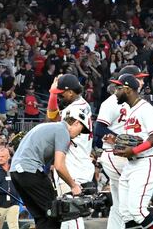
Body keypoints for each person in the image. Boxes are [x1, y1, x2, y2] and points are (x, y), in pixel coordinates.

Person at [10, 109, 89, 229]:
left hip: (16, 173)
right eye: (81, 129)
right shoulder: (63, 131)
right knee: (54, 213)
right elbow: (59, 166)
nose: (80, 134)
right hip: (30, 171)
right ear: (77, 123)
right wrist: (73, 186)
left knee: (43, 216)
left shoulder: (49, 126)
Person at [93, 65, 147, 229]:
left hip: (124, 156)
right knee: (132, 201)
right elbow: (99, 129)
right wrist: (119, 139)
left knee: (119, 202)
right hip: (117, 156)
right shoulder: (112, 102)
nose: (142, 81)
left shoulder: (136, 101)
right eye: (139, 78)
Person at [112, 73, 153, 229]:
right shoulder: (131, 111)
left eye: (118, 88)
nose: (115, 92)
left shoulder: (146, 109)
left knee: (138, 211)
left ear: (127, 89)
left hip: (145, 163)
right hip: (131, 165)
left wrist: (134, 150)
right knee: (126, 213)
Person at [47, 74, 93, 229]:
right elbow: (52, 117)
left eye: (62, 93)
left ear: (71, 92)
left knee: (72, 211)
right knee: (66, 214)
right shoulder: (73, 106)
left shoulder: (78, 107)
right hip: (72, 162)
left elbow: (72, 132)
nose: (60, 96)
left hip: (75, 164)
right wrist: (52, 94)